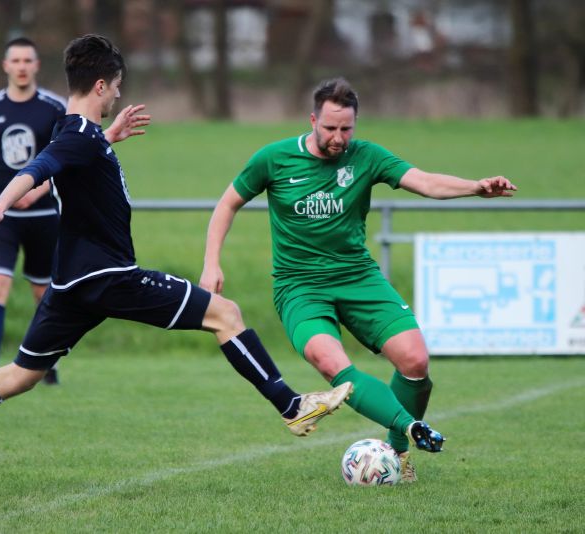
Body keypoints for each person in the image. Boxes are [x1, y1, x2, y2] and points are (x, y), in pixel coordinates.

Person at [0, 35, 353, 497]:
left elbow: (67, 162)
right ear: (100, 86)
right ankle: (291, 406)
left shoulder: (76, 132)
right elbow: (36, 170)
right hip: (108, 276)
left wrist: (109, 138)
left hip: (70, 285)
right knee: (225, 314)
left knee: (21, 375)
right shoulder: (76, 135)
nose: (118, 94)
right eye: (116, 86)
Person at [200, 77, 516, 483]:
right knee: (329, 361)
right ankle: (410, 429)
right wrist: (212, 263)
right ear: (312, 120)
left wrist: (475, 187)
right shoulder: (274, 159)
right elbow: (227, 204)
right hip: (300, 287)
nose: (338, 137)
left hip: (358, 277)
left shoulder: (366, 156)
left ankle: (398, 453)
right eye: (330, 128)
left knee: (415, 361)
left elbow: (423, 181)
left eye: (346, 128)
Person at [0, 37, 149, 385]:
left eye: (28, 60)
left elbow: (71, 156)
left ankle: (39, 363)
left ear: (37, 65)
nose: (22, 66)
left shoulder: (57, 109)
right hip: (2, 217)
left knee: (45, 293)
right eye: (15, 60)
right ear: (5, 66)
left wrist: (107, 137)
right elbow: (26, 167)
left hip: (44, 218)